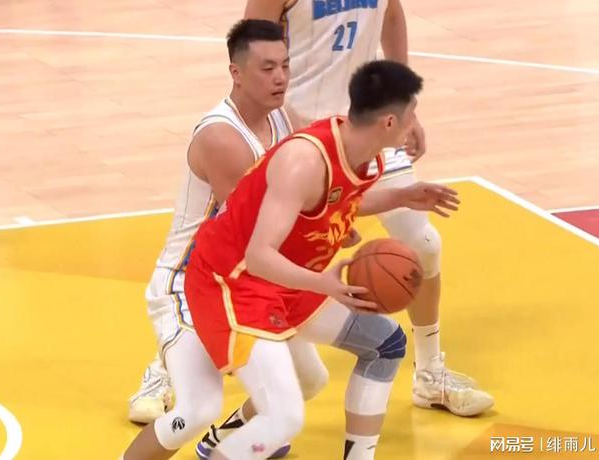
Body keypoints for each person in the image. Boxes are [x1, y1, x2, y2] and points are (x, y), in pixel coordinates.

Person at [124, 60, 458, 460]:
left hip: (286, 281)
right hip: (234, 283)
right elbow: (258, 256)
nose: (415, 124)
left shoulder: (364, 155)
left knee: (384, 345)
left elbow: (340, 199)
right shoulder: (304, 160)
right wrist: (324, 283)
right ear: (389, 122)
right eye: (412, 114)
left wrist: (402, 196)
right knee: (282, 417)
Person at [239, 0, 494, 418]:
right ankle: (172, 359)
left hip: (367, 124)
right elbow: (250, 56)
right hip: (301, 134)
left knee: (423, 244)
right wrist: (278, 130)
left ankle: (430, 373)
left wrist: (404, 106)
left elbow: (391, 15)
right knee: (237, 252)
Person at [125, 19, 330, 459]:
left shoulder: (286, 117)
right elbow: (262, 230)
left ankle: (226, 441)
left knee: (309, 380)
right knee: (197, 408)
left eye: (285, 66)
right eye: (267, 68)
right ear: (236, 73)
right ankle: (168, 377)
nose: (280, 77)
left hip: (245, 280)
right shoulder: (221, 138)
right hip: (190, 282)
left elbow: (329, 157)